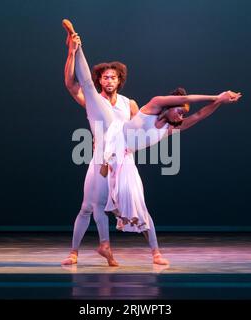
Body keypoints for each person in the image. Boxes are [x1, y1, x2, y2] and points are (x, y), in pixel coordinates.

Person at [61, 20, 170, 266]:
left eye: (113, 77)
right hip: (100, 158)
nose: (109, 80)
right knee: (88, 207)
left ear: (119, 81)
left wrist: (160, 132)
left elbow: (137, 128)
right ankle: (76, 252)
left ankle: (155, 252)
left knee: (138, 205)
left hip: (123, 161)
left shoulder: (128, 103)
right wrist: (70, 53)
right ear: (99, 81)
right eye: (105, 77)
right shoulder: (92, 101)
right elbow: (71, 84)